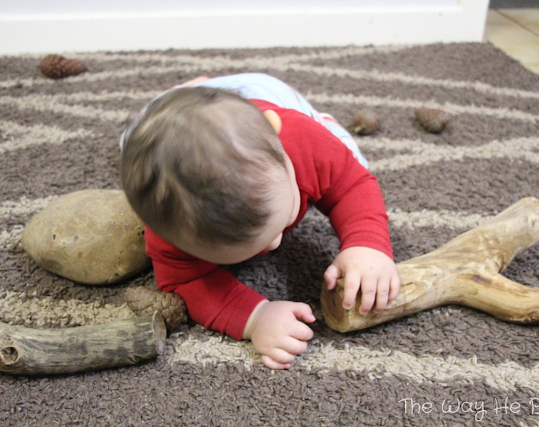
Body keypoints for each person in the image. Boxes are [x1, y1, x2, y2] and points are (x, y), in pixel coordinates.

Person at [120, 73, 400, 369]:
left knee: (349, 155)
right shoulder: (169, 228)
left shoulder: (300, 138)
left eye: (284, 219)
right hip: (187, 122)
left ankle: (194, 91)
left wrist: (367, 243)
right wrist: (254, 317)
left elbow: (352, 184)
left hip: (266, 92)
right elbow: (187, 281)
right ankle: (186, 95)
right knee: (137, 141)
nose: (276, 243)